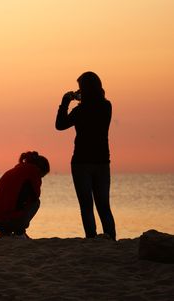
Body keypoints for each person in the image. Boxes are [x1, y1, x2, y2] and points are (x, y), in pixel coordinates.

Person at [55, 71, 116, 240]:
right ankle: (111, 240)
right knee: (104, 206)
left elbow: (60, 125)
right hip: (102, 161)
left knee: (86, 206)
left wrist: (65, 102)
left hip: (81, 161)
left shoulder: (80, 110)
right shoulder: (107, 106)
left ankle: (91, 239)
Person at [0, 151, 50, 238]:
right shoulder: (33, 172)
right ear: (40, 170)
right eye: (42, 176)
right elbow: (35, 196)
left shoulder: (13, 171)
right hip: (7, 221)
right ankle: (19, 232)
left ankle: (6, 233)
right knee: (36, 203)